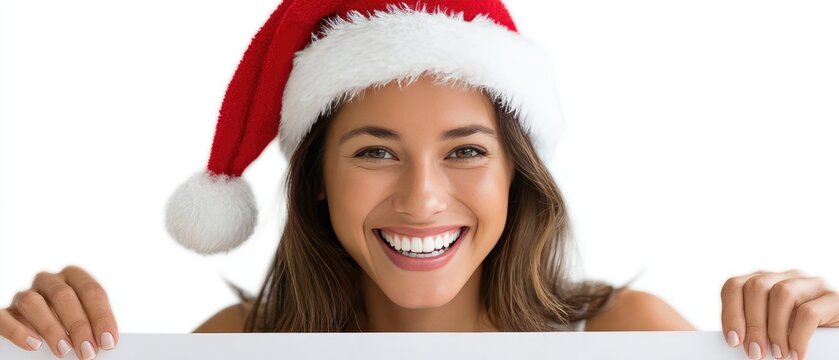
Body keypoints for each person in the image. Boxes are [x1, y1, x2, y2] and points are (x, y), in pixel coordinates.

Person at [2, 1, 837, 360]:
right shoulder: (239, 346)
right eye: (373, 152)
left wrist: (808, 330)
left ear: (518, 174)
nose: (422, 199)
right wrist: (32, 346)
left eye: (467, 151)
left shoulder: (630, 334)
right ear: (317, 182)